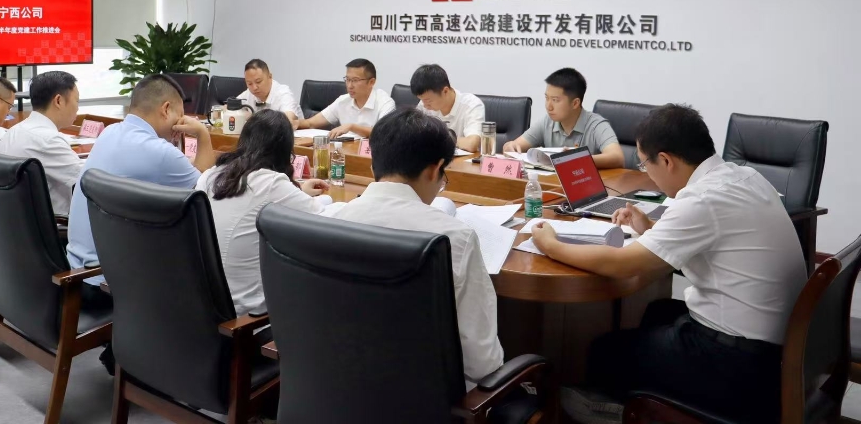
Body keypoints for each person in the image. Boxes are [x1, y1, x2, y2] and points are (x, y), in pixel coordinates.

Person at [530, 104, 806, 423]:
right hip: (778, 349)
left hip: (738, 365)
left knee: (604, 351)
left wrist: (551, 245)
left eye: (645, 164)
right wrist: (650, 228)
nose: (647, 173)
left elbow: (624, 265)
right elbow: (715, 243)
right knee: (657, 312)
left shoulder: (701, 199)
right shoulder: (743, 176)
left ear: (666, 160)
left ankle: (621, 413)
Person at [333, 107, 503, 384]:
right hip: (427, 396)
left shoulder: (335, 221)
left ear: (373, 164)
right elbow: (481, 363)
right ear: (435, 169)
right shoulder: (454, 238)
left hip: (341, 383)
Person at [67, 74, 217, 278]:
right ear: (166, 109)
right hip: (112, 279)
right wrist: (202, 133)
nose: (180, 124)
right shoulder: (158, 152)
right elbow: (204, 185)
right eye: (180, 116)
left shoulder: (110, 132)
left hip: (79, 270)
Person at [197, 109, 330, 316]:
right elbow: (323, 218)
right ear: (284, 151)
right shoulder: (270, 183)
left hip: (202, 308)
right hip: (245, 317)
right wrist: (329, 199)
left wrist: (298, 193)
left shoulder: (210, 175)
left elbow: (252, 199)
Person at [0, 71, 81, 216]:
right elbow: (89, 181)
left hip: (14, 221)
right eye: (77, 101)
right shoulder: (48, 140)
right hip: (55, 224)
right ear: (59, 101)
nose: (78, 108)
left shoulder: (15, 130)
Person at [502, 68, 624, 169]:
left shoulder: (596, 125)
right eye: (547, 98)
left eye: (555, 100)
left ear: (575, 103)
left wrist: (577, 159)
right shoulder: (547, 122)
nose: (548, 106)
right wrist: (509, 146)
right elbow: (515, 145)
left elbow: (617, 157)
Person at [292, 58, 394, 139]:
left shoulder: (385, 103)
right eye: (347, 79)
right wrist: (295, 123)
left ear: (371, 82)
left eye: (355, 80)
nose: (349, 86)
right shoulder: (343, 101)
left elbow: (383, 133)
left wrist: (351, 127)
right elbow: (311, 123)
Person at [410, 64, 485, 153]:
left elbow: (472, 144)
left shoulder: (471, 105)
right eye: (421, 100)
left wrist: (438, 139)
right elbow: (413, 136)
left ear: (445, 91)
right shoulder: (423, 104)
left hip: (463, 161)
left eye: (428, 100)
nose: (425, 105)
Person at [236, 58, 303, 120]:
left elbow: (288, 120)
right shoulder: (249, 93)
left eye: (258, 82)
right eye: (249, 84)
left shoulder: (283, 93)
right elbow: (230, 108)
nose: (254, 88)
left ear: (270, 77)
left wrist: (253, 118)